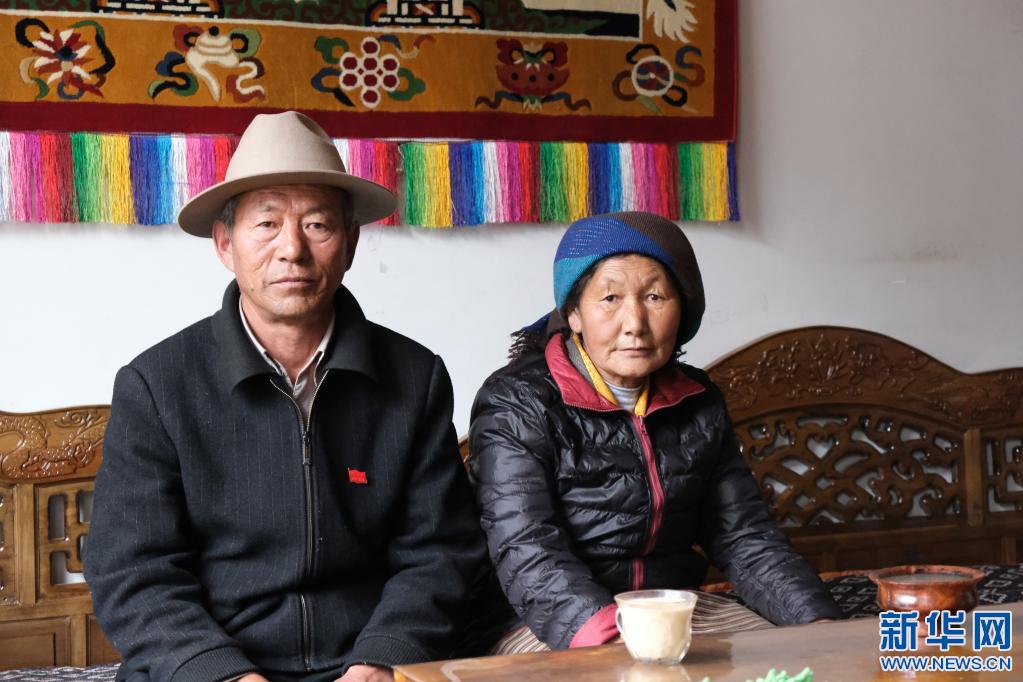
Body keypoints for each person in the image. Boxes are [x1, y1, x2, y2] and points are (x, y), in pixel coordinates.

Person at [85, 111, 486, 682]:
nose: (292, 249)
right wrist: (222, 673)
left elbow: (439, 551)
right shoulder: (157, 385)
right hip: (213, 669)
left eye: (317, 224)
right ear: (225, 243)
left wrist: (383, 657)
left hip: (366, 664)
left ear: (349, 243)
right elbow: (133, 571)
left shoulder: (414, 377)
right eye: (267, 223)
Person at [469, 211, 842, 652]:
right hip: (549, 621)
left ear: (682, 308)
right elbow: (525, 545)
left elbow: (743, 536)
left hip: (672, 607)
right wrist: (609, 637)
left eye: (654, 296)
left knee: (805, 662)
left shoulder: (698, 399)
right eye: (610, 298)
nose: (635, 323)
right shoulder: (517, 402)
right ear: (573, 313)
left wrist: (818, 622)